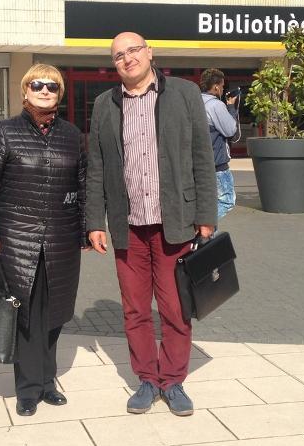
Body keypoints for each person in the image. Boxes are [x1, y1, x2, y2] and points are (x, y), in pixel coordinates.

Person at [85, 32, 216, 417]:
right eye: (118, 55)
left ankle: (172, 380)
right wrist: (94, 221)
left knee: (175, 308)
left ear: (149, 52)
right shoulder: (104, 104)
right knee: (135, 310)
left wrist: (206, 215)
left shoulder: (184, 93)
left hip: (175, 222)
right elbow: (96, 167)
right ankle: (146, 378)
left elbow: (202, 157)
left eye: (133, 50)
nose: (127, 59)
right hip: (128, 226)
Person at [0, 63, 87, 417]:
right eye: (37, 85)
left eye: (52, 86)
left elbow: (83, 184)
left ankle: (48, 382)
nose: (44, 90)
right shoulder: (5, 131)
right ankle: (27, 388)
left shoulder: (72, 135)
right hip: (17, 241)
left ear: (59, 94)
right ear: (25, 90)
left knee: (54, 315)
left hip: (61, 242)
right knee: (23, 315)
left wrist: (86, 229)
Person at [200, 68, 238, 220]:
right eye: (222, 86)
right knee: (226, 201)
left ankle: (205, 230)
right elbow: (230, 130)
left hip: (200, 164)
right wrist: (231, 107)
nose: (223, 89)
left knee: (205, 203)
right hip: (217, 164)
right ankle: (203, 228)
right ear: (216, 86)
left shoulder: (195, 102)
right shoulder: (215, 105)